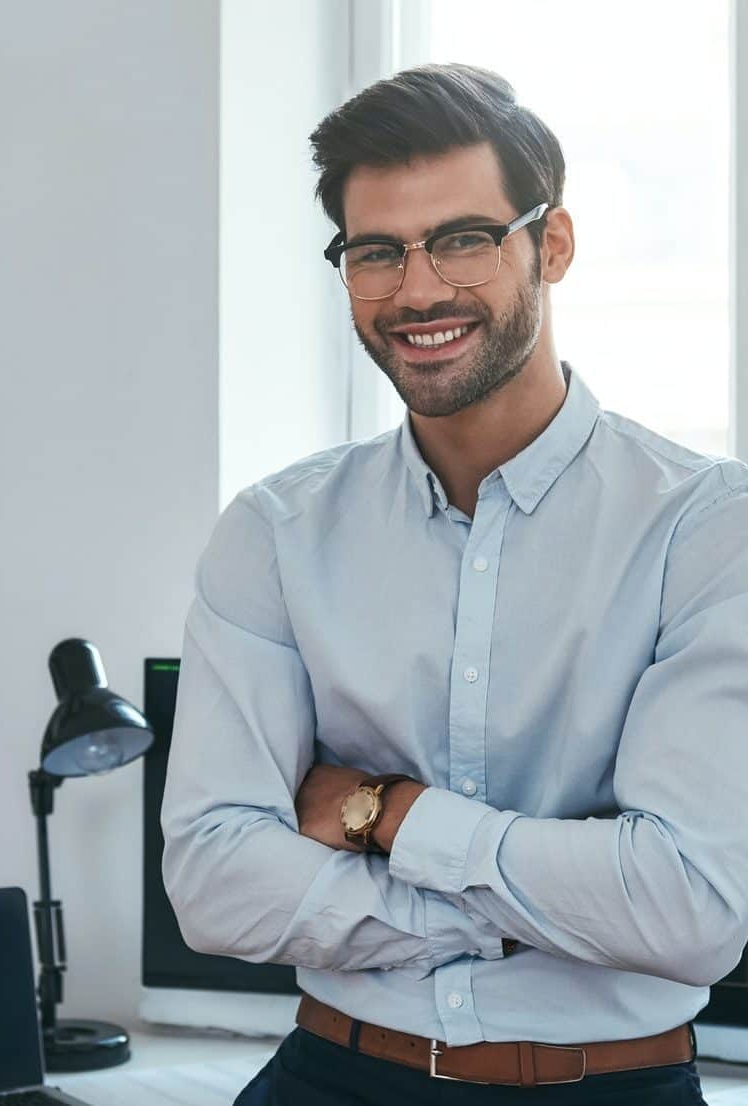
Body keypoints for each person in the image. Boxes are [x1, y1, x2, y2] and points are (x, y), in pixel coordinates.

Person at [160, 62, 748, 1104]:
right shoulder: (274, 532)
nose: (418, 288)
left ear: (549, 244)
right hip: (326, 1074)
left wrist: (383, 812)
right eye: (376, 251)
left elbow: (690, 909)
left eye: (463, 239)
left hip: (606, 1087)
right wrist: (539, 901)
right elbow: (212, 883)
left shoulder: (703, 525)